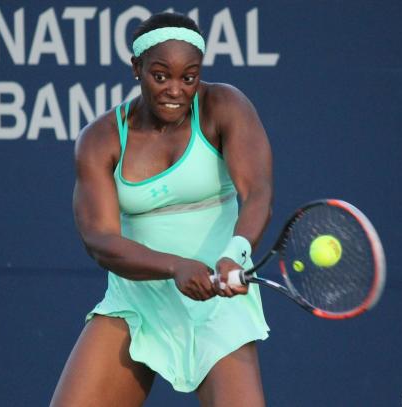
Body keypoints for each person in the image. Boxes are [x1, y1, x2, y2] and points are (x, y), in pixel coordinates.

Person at [50, 12, 273, 407]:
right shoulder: (100, 140)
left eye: (189, 77)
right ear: (136, 69)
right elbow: (100, 241)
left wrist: (234, 253)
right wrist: (175, 266)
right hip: (137, 303)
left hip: (218, 307)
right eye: (160, 76)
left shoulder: (225, 106)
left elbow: (257, 194)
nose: (175, 90)